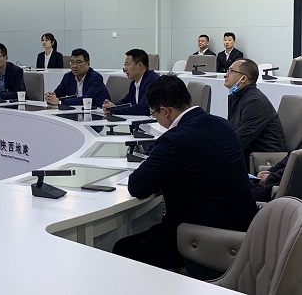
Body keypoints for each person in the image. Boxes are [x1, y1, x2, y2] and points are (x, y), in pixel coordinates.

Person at [112, 74, 258, 278]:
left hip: (202, 237)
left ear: (165, 111)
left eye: (154, 115)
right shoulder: (222, 125)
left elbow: (137, 186)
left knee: (123, 248)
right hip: (243, 230)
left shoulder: (174, 140)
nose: (157, 120)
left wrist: (151, 165)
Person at [224, 58, 286, 169]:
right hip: (248, 154)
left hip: (264, 161)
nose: (225, 75)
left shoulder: (254, 102)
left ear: (243, 78)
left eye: (231, 71)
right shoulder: (239, 96)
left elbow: (239, 141)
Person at [102, 49, 159, 116]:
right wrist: (111, 106)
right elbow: (126, 100)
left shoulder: (153, 81)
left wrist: (114, 109)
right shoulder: (134, 83)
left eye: (127, 64)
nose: (125, 69)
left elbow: (143, 108)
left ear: (140, 66)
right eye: (125, 65)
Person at [44, 48, 109, 107]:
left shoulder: (95, 78)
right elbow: (58, 93)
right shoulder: (68, 77)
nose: (74, 66)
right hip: (76, 111)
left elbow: (86, 100)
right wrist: (50, 96)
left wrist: (59, 102)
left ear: (88, 64)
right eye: (72, 62)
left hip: (97, 112)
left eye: (78, 62)